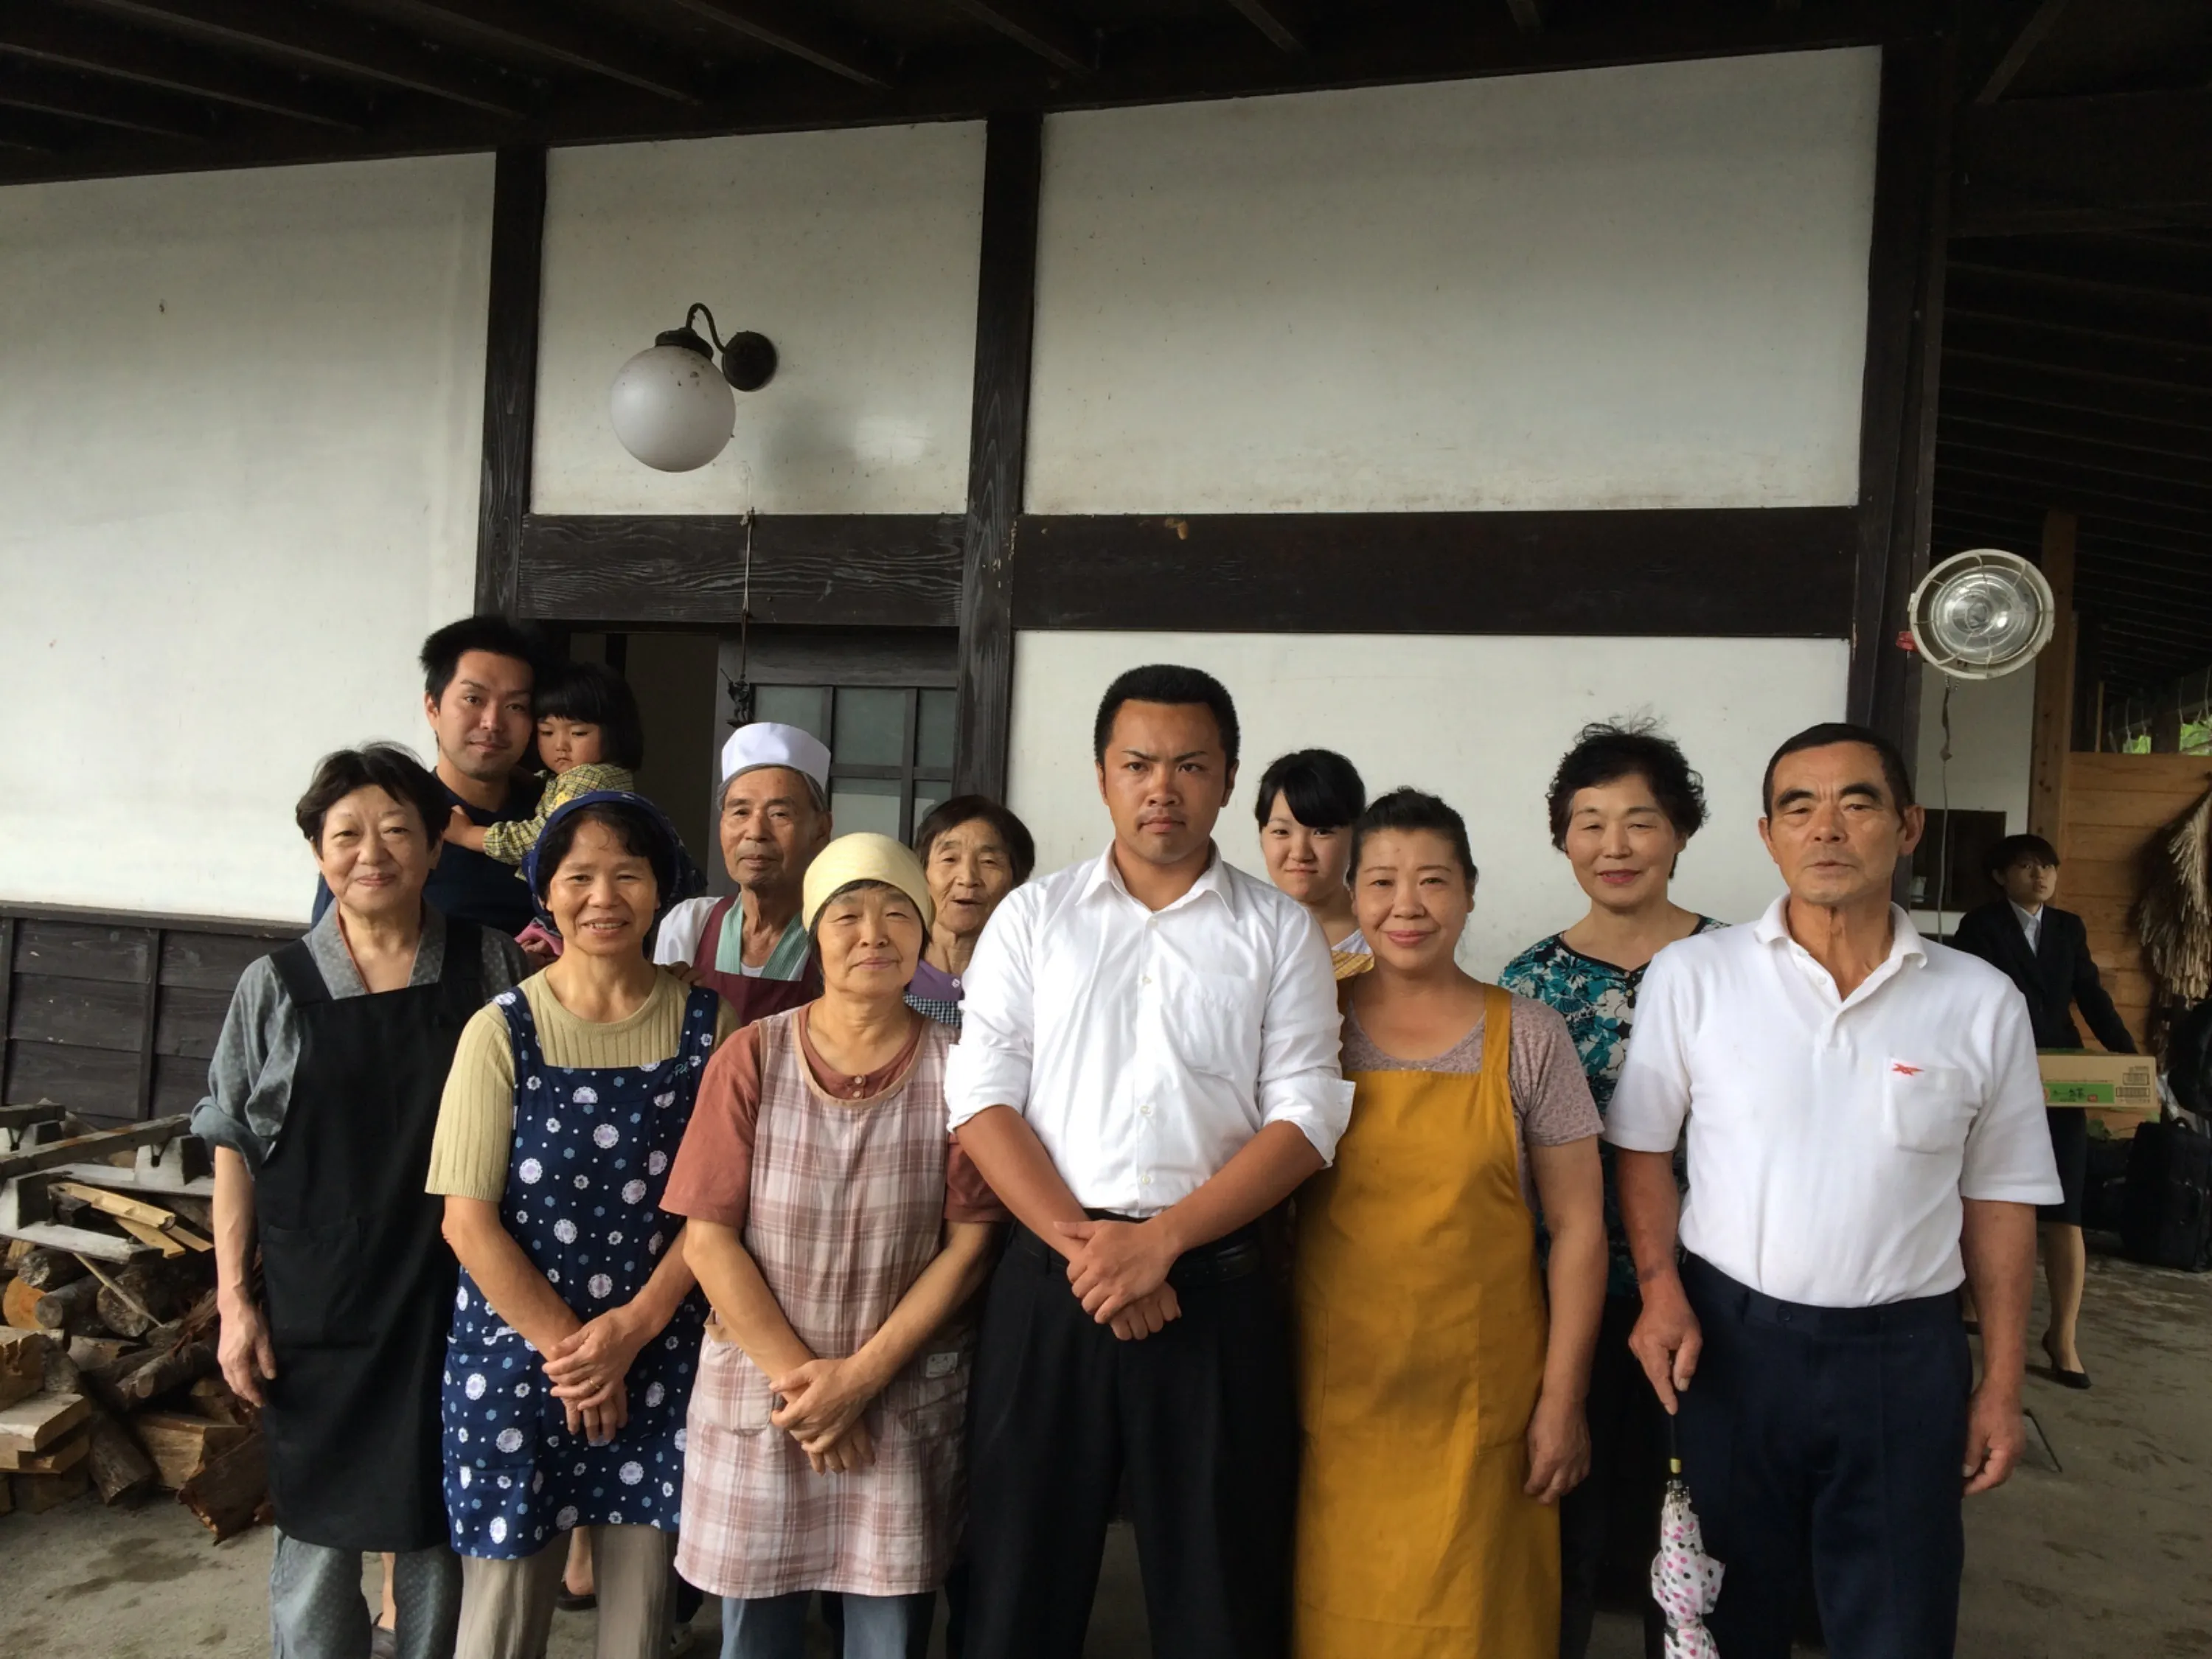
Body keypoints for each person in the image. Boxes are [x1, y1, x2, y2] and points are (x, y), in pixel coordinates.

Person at [1607, 722, 2062, 1659]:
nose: (1827, 828)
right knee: (1715, 1621)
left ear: (1908, 825)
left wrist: (2003, 1381)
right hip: (1730, 1347)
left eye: (1857, 802)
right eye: (1798, 807)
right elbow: (1643, 1147)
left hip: (1906, 1358)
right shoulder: (1696, 976)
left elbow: (2003, 1199)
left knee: (1898, 1621)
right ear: (1768, 836)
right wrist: (1658, 1289)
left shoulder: (1981, 1001)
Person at [947, 664, 1352, 1659]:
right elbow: (981, 1098)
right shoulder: (1033, 918)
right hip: (1052, 1285)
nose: (1161, 787)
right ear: (1102, 776)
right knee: (1012, 1589)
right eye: (1138, 764)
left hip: (1210, 1289)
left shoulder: (1279, 932)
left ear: (1228, 778)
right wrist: (1098, 1254)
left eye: (1189, 765)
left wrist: (1160, 1243)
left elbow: (1306, 1117)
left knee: (1219, 1594)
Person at [198, 745, 529, 1659]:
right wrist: (235, 1302)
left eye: (395, 831)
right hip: (318, 1306)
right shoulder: (275, 986)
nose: (371, 853)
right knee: (314, 1527)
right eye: (346, 835)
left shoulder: (488, 965)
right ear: (318, 852)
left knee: (434, 1518)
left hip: (450, 1297)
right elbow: (232, 1144)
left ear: (434, 847)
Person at [666, 834, 1007, 1658]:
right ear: (814, 935)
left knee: (888, 1630)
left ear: (924, 933)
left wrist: (857, 1383)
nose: (873, 935)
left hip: (896, 1389)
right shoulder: (752, 1054)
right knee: (756, 1630)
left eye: (898, 914)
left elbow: (968, 1248)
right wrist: (811, 1392)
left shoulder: (963, 1069)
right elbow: (708, 1242)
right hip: (768, 1391)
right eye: (847, 915)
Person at [1295, 787, 1606, 1659]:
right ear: (1352, 894)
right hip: (1338, 1393)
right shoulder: (1309, 1021)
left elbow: (1580, 1229)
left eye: (1433, 880)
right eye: (1382, 881)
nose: (1408, 906)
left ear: (1470, 891)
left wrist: (1563, 1401)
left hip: (1485, 1405)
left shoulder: (1531, 1036)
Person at [428, 791, 736, 1659]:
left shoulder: (713, 1027)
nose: (604, 897)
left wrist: (629, 1336)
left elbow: (718, 1208)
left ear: (660, 891)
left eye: (628, 875)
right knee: (501, 1611)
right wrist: (579, 1360)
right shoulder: (500, 1032)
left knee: (641, 1610)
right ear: (546, 893)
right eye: (579, 877)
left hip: (662, 1351)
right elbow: (467, 1224)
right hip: (521, 1357)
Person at [1497, 720, 1721, 1659]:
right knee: (1566, 1527)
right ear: (1562, 839)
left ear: (1681, 831)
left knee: (1696, 1540)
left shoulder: (1739, 967)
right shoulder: (1528, 985)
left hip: (1711, 1300)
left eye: (1640, 821)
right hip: (1567, 1298)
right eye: (1590, 824)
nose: (1615, 846)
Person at [1952, 832, 2136, 1389]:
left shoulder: (2068, 928)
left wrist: (2129, 1056)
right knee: (1983, 1194)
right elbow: (1962, 1000)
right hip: (1996, 1070)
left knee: (2066, 1207)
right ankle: (1970, 1298)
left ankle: (2064, 1336)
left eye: (2048, 867)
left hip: (2060, 1076)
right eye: (2028, 866)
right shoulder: (1980, 927)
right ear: (2000, 876)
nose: (2040, 876)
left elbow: (2091, 995)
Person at [313, 616, 546, 937]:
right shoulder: (390, 819)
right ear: (433, 708)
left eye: (516, 706)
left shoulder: (560, 813)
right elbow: (333, 953)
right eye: (473, 699)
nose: (492, 722)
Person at [657, 723, 833, 1024]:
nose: (755, 832)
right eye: (740, 812)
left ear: (821, 830)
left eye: (779, 814)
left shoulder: (837, 935)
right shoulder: (690, 925)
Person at [448, 658, 643, 869]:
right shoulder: (602, 777)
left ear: (615, 733)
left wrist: (467, 835)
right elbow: (557, 788)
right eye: (547, 732)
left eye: (578, 733)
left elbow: (540, 839)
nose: (560, 745)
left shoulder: (591, 779)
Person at [907, 795, 1037, 1029]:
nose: (968, 878)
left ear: (1016, 882)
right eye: (950, 859)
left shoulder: (1032, 982)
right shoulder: (891, 972)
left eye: (989, 862)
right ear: (922, 872)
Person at [1254, 748, 1368, 975]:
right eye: (1281, 832)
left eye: (1322, 832)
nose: (1300, 853)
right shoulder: (1239, 932)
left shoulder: (1384, 939)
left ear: (1357, 836)